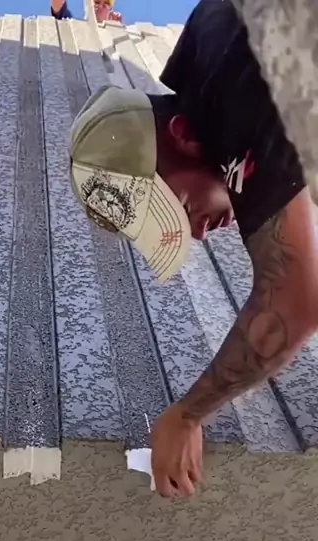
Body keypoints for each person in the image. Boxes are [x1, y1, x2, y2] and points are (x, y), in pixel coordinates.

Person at [69, 0, 318, 498]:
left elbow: (296, 300)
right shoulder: (209, 43)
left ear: (181, 135)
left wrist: (187, 415)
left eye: (178, 206)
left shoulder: (239, 90)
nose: (198, 233)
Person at [51, 0, 122, 23]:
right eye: (97, 2)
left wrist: (117, 29)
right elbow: (58, 5)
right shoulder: (73, 25)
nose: (100, 6)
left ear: (110, 10)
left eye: (105, 4)